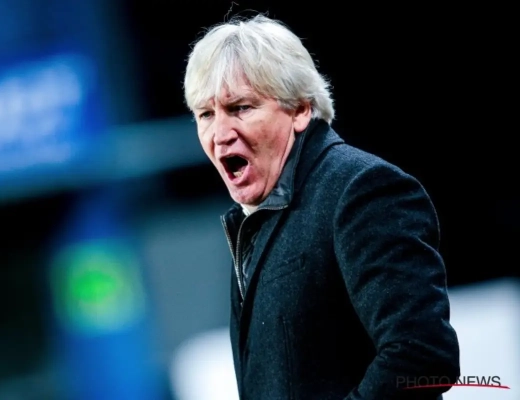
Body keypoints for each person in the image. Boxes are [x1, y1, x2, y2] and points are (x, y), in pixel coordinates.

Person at [182, 14, 460, 400]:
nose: (219, 133)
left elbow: (423, 357)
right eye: (206, 114)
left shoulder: (362, 190)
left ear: (300, 109)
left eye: (241, 107)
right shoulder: (256, 222)